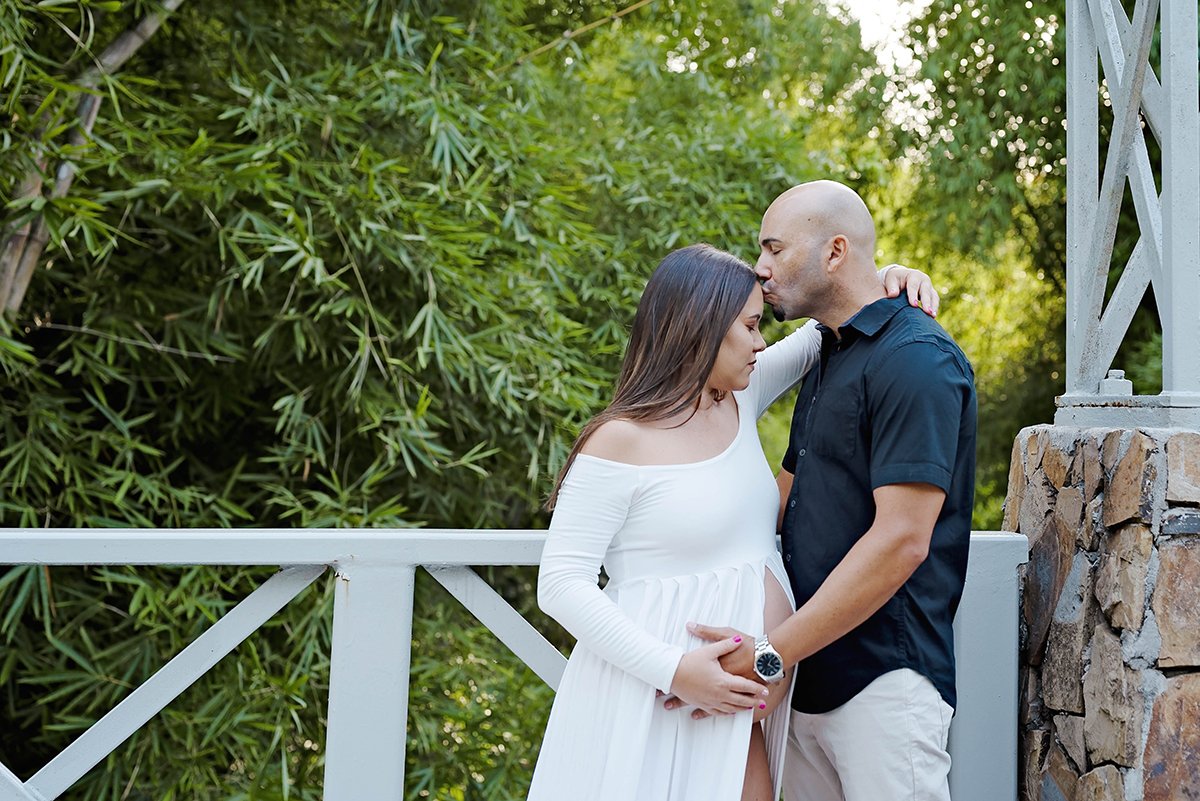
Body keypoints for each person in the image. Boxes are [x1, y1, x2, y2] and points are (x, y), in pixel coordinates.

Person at [527, 242, 939, 801]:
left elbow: (827, 327)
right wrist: (676, 670)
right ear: (699, 329)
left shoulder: (738, 397)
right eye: (748, 326)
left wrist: (886, 276)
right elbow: (560, 583)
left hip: (736, 704)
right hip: (653, 696)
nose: (760, 341)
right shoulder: (620, 439)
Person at [684, 181, 977, 801]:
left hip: (882, 684)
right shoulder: (830, 352)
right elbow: (781, 507)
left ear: (835, 251)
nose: (759, 268)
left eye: (774, 249)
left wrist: (768, 655)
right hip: (803, 687)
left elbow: (902, 542)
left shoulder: (917, 359)